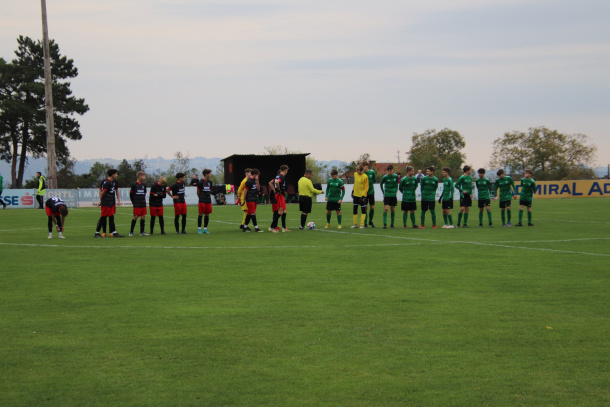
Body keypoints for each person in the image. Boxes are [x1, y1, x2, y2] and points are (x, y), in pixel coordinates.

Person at [94, 169, 124, 238]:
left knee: (111, 217)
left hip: (111, 202)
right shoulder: (107, 182)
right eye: (116, 174)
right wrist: (100, 201)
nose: (117, 175)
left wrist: (118, 200)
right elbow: (103, 192)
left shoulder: (115, 182)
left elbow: (116, 191)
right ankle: (97, 232)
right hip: (106, 203)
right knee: (103, 217)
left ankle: (113, 232)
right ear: (113, 174)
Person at [270, 165, 290, 233]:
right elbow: (276, 182)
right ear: (285, 170)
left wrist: (275, 190)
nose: (287, 171)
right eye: (287, 170)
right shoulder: (281, 176)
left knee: (284, 211)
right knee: (280, 212)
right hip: (280, 195)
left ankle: (284, 228)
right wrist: (278, 190)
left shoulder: (278, 176)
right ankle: (272, 227)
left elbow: (271, 182)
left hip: (281, 195)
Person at [129, 171, 148, 236]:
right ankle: (131, 232)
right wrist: (134, 202)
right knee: (135, 217)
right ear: (139, 177)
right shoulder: (134, 185)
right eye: (143, 176)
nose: (144, 177)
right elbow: (131, 195)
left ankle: (142, 232)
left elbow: (144, 193)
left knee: (143, 217)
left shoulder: (144, 185)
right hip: (136, 204)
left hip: (143, 203)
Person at [380, 164, 399, 229]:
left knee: (392, 209)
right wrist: (383, 192)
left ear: (393, 170)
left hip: (393, 195)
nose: (390, 172)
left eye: (391, 171)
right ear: (387, 171)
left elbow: (396, 184)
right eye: (388, 171)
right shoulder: (385, 177)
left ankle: (392, 224)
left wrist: (396, 191)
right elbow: (381, 184)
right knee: (386, 209)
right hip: (387, 195)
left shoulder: (395, 176)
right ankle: (385, 224)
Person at [352, 164, 369, 229]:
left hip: (362, 196)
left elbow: (366, 187)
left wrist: (363, 195)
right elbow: (355, 183)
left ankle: (362, 225)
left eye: (358, 170)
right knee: (355, 209)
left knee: (363, 210)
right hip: (355, 195)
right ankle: (355, 224)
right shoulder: (355, 174)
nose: (357, 171)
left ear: (361, 170)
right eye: (356, 170)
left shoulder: (365, 177)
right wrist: (352, 191)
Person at [197, 169, 213, 234]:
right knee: (201, 213)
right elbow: (198, 192)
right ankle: (199, 229)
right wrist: (201, 197)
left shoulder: (210, 182)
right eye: (209, 173)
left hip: (208, 200)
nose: (210, 175)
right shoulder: (200, 182)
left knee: (207, 214)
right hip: (202, 200)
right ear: (206, 174)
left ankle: (205, 229)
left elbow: (210, 190)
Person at [362, 162, 376, 227]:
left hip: (371, 192)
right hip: (365, 193)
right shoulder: (362, 174)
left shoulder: (372, 172)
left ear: (367, 166)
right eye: (363, 166)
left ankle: (370, 221)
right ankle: (365, 223)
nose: (364, 167)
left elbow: (374, 180)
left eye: (365, 166)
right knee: (365, 207)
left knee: (372, 208)